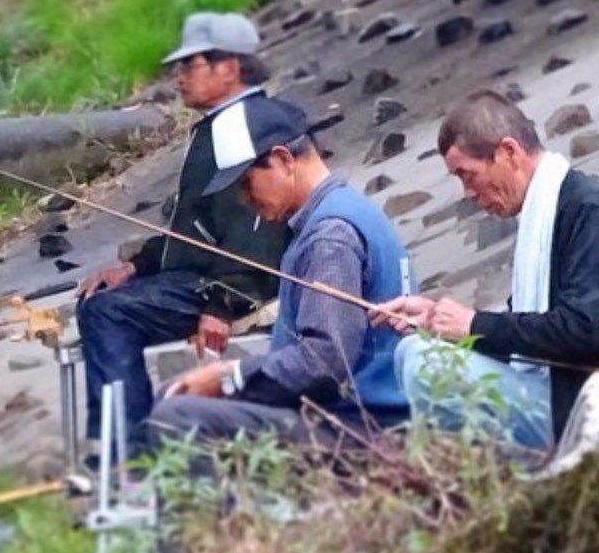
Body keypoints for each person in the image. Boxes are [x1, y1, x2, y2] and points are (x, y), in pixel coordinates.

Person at [373, 90, 599, 464]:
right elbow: (529, 333)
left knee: (423, 366)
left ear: (509, 153)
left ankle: (509, 474)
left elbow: (585, 328)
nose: (467, 193)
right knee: (409, 351)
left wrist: (473, 324)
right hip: (567, 389)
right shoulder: (546, 210)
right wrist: (440, 322)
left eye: (467, 175)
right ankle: (485, 471)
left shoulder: (586, 206)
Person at [144, 96, 414, 454]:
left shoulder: (329, 236)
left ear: (284, 160)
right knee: (176, 399)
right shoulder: (346, 210)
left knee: (174, 417)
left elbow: (324, 361)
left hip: (362, 428)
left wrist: (229, 377)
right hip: (357, 416)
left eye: (245, 183)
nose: (244, 199)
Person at [75, 12, 287, 447]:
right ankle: (124, 442)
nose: (177, 79)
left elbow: (260, 225)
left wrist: (224, 302)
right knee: (99, 298)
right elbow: (196, 229)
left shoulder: (251, 126)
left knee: (107, 312)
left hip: (237, 279)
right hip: (206, 272)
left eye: (188, 66)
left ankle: (131, 448)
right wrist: (135, 268)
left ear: (228, 67)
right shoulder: (221, 125)